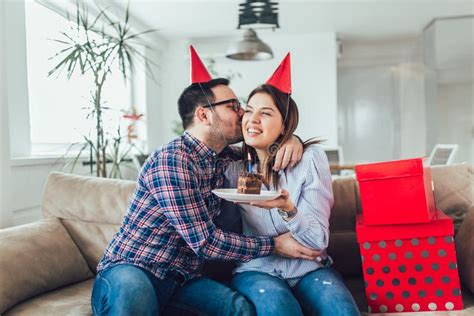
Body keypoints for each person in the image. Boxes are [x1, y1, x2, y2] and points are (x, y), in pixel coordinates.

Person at [91, 46, 320, 316]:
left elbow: (262, 147)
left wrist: (292, 139)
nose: (243, 114)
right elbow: (205, 242)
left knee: (240, 309)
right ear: (204, 115)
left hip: (181, 279)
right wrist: (273, 245)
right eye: (234, 106)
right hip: (134, 267)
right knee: (133, 295)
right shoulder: (172, 160)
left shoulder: (223, 157)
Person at [228, 53, 360, 316]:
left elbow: (317, 240)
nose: (252, 120)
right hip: (257, 269)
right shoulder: (231, 166)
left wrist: (289, 208)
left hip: (309, 268)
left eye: (265, 113)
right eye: (249, 110)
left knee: (343, 312)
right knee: (280, 309)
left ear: (284, 125)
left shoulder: (310, 159)